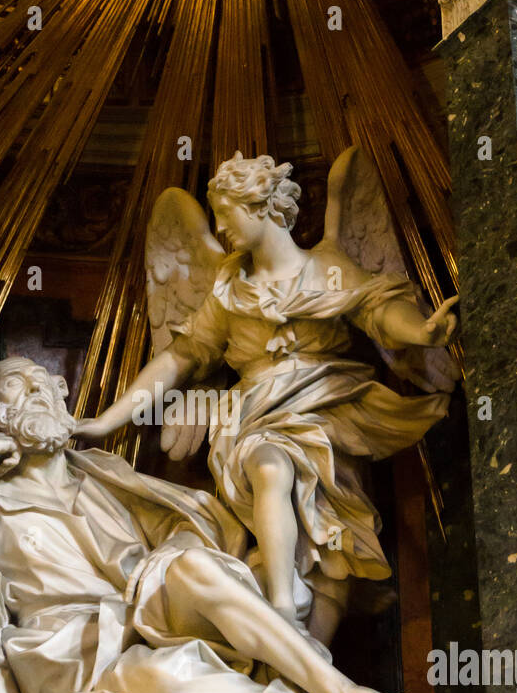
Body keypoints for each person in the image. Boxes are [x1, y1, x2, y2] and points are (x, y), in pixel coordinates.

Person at [0, 357, 420, 693]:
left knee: (189, 566)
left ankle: (339, 692)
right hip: (73, 650)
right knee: (167, 677)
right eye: (15, 389)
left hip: (144, 611)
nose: (36, 394)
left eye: (42, 385)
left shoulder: (105, 476)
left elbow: (197, 531)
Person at [75, 153, 457, 644]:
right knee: (271, 466)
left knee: (329, 538)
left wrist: (423, 333)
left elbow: (379, 310)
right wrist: (107, 421)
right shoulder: (227, 288)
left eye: (226, 215)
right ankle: (280, 607)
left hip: (332, 411)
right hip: (256, 414)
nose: (220, 228)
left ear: (261, 208)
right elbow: (182, 357)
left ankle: (307, 669)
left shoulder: (328, 267)